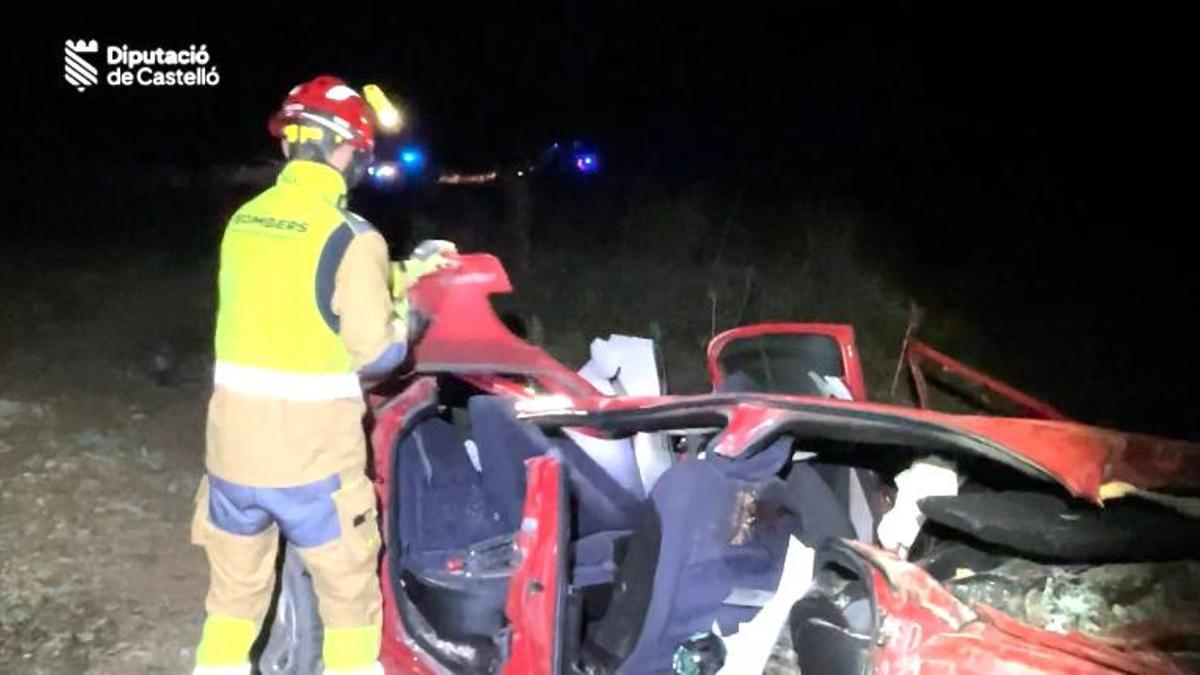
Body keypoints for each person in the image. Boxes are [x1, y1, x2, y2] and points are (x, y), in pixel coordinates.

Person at [192, 75, 427, 675]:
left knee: (232, 604)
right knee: (349, 604)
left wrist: (406, 270)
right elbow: (376, 354)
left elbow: (302, 289)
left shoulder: (246, 221)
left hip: (232, 463)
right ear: (347, 149)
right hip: (311, 471)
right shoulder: (352, 235)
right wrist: (410, 320)